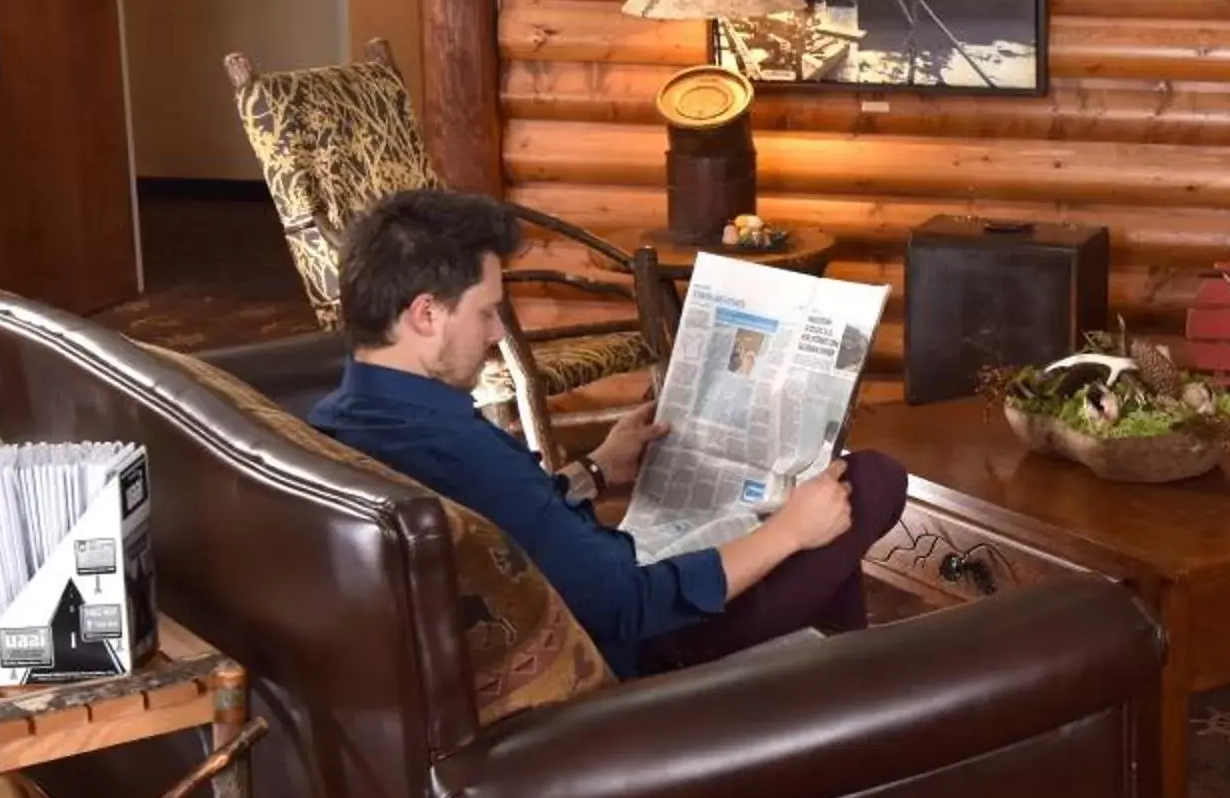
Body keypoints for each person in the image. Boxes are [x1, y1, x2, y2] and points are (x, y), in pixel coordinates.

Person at [308, 188, 906, 678]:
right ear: (425, 314)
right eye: (487, 311)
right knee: (868, 483)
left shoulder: (338, 419)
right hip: (643, 641)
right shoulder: (456, 448)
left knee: (826, 509)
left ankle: (838, 691)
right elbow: (627, 604)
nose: (496, 333)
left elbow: (504, 528)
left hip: (579, 583)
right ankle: (845, 699)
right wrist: (788, 534)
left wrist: (592, 471)